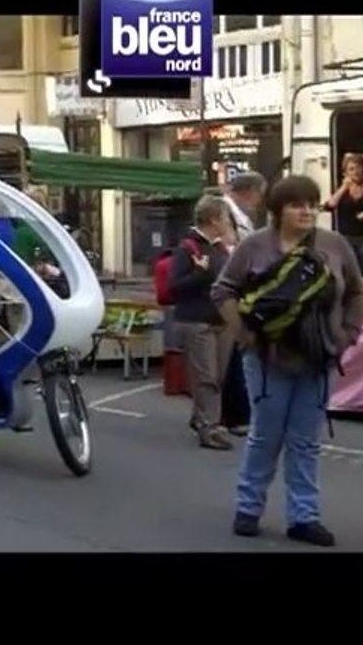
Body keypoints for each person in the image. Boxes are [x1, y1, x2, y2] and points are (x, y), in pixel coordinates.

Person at [212, 175, 363, 547]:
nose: (307, 211)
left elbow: (357, 290)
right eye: (297, 205)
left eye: (312, 204)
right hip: (267, 359)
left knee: (305, 441)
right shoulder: (254, 246)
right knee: (265, 436)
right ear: (278, 210)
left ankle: (304, 517)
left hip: (318, 359)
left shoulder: (334, 244)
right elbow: (223, 290)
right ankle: (249, 508)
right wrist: (246, 337)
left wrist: (347, 334)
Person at [168, 195, 235, 450]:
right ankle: (211, 427)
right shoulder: (187, 248)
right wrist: (199, 274)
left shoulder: (219, 248)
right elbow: (175, 288)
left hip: (221, 320)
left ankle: (201, 416)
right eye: (226, 218)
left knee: (217, 376)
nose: (228, 223)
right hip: (196, 320)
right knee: (206, 376)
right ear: (214, 219)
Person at [220, 171, 267, 437]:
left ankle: (233, 413)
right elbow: (231, 249)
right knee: (234, 356)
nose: (260, 200)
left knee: (236, 355)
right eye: (259, 193)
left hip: (240, 288)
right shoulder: (226, 212)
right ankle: (234, 415)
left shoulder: (238, 214)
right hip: (232, 291)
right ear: (248, 191)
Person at [322, 152, 363, 269]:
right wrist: (344, 187)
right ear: (345, 173)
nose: (356, 171)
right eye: (352, 169)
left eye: (359, 168)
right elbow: (330, 205)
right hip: (345, 237)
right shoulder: (341, 189)